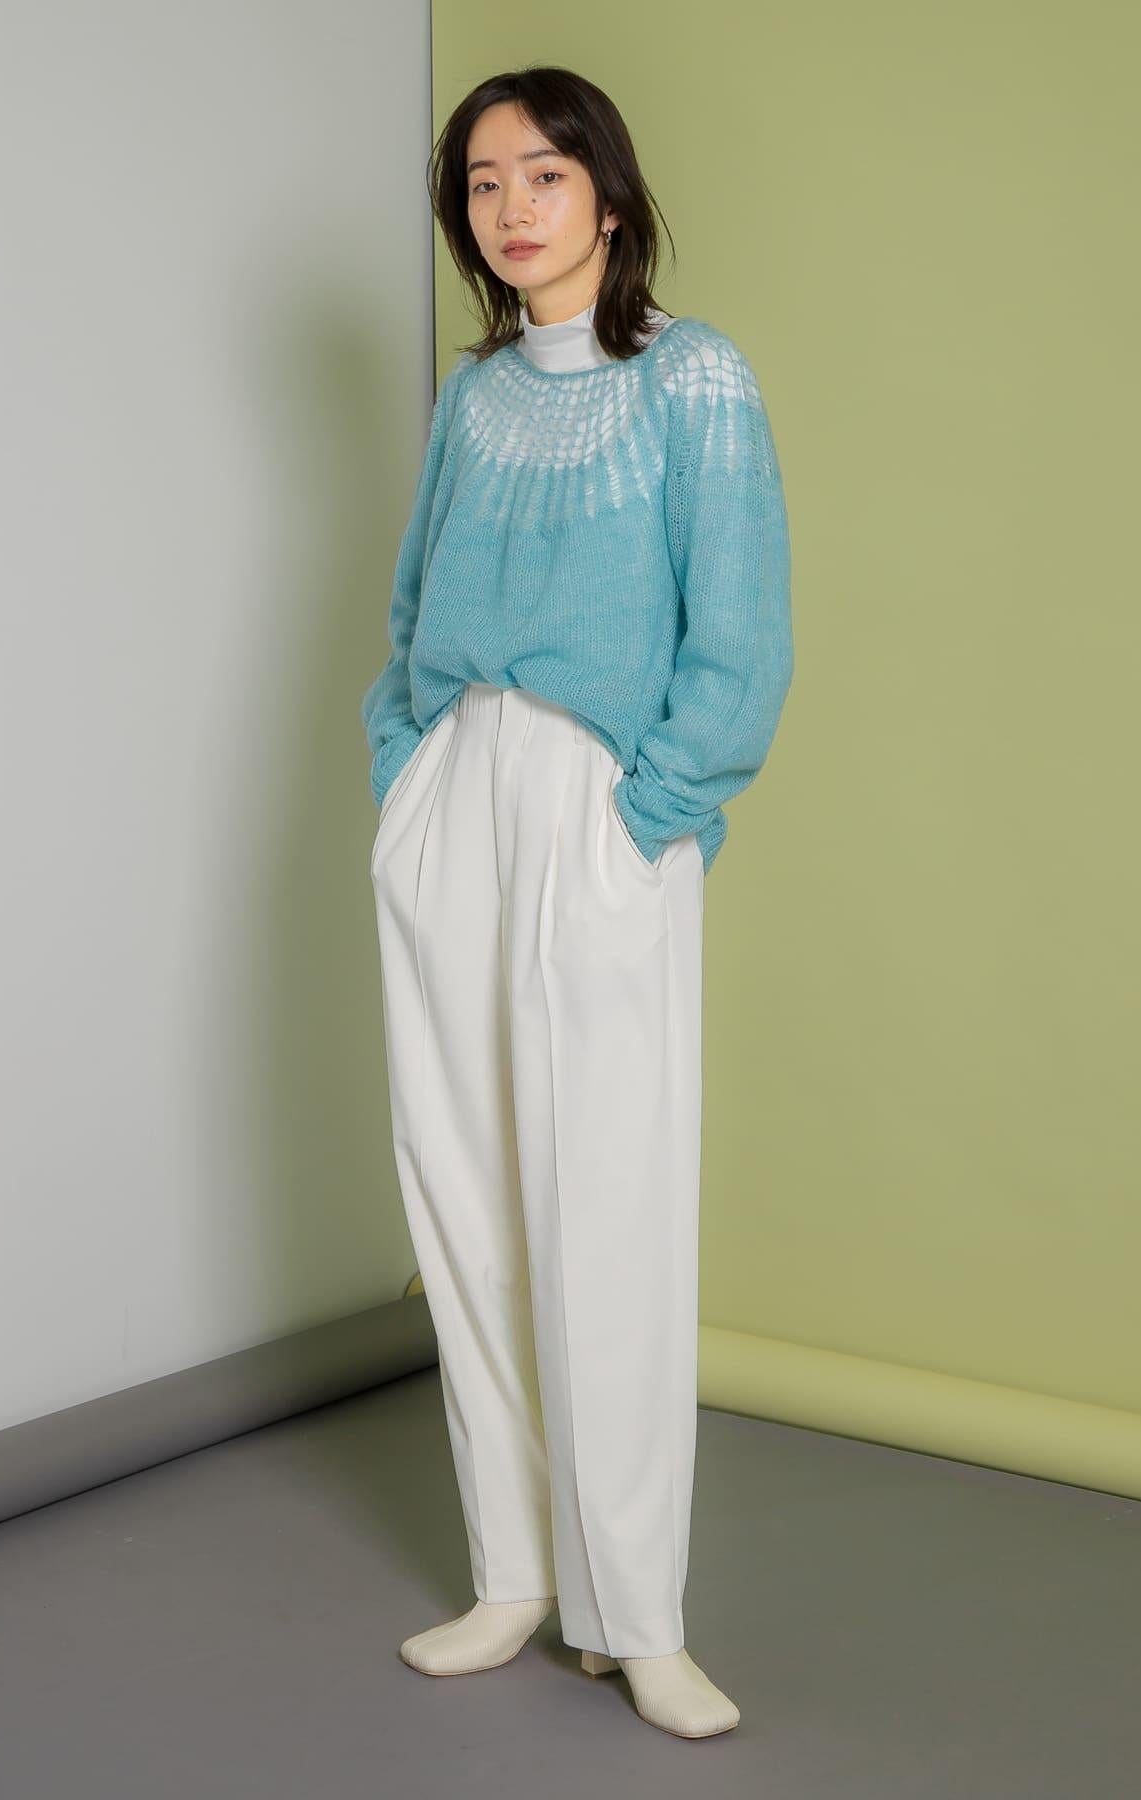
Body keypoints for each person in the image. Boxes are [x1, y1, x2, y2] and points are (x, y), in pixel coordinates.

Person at [360, 64, 793, 1741]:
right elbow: (414, 614)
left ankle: (641, 1614)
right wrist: (408, 786)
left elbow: (739, 634)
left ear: (608, 197)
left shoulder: (696, 380)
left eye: (544, 173)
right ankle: (516, 1578)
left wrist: (650, 821)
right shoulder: (472, 400)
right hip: (460, 795)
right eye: (483, 183)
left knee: (608, 1200)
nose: (513, 206)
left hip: (602, 812)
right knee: (464, 1191)